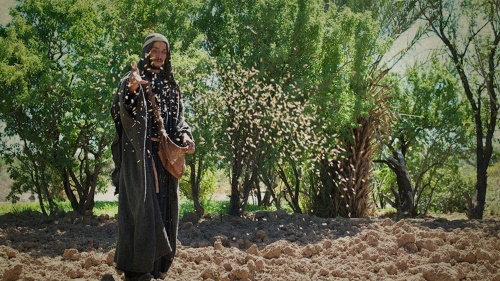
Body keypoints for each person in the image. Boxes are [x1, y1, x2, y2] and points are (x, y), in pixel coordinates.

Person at [110, 33, 195, 281]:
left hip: (164, 159)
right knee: (143, 212)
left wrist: (185, 137)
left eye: (163, 52)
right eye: (155, 50)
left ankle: (156, 270)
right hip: (141, 160)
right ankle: (137, 272)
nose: (159, 55)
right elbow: (119, 111)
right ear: (146, 51)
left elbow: (179, 120)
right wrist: (132, 89)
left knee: (165, 211)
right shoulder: (132, 79)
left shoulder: (171, 85)